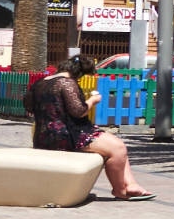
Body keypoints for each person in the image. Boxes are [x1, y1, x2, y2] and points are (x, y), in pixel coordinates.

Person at [24, 56, 153, 201]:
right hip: (67, 135)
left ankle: (131, 184)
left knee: (117, 145)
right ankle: (120, 190)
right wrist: (93, 100)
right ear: (79, 73)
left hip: (43, 135)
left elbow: (28, 107)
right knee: (118, 148)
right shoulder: (66, 82)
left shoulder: (40, 83)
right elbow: (79, 111)